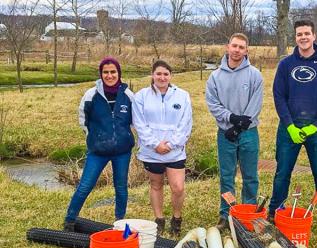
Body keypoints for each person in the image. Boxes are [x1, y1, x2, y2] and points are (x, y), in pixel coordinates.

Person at [268, 20, 317, 234]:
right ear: (295, 38)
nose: (303, 37)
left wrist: (316, 125)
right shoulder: (286, 64)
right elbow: (279, 96)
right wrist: (290, 126)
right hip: (289, 129)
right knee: (282, 172)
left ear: (314, 36)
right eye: (299, 34)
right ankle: (274, 212)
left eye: (306, 33)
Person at [63, 57, 135, 231]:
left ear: (119, 73)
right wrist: (93, 137)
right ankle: (69, 220)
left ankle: (119, 222)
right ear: (101, 74)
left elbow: (134, 121)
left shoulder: (128, 95)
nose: (109, 75)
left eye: (113, 72)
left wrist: (127, 137)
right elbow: (83, 120)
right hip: (97, 151)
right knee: (85, 185)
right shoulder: (91, 95)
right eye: (106, 72)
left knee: (121, 187)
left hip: (122, 151)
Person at [205, 33, 264, 230]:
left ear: (246, 50)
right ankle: (226, 213)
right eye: (234, 46)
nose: (237, 50)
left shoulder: (255, 75)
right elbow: (213, 104)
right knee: (227, 175)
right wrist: (230, 119)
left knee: (250, 175)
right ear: (227, 47)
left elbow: (255, 105)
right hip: (225, 133)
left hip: (248, 133)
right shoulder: (215, 77)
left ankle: (249, 212)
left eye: (241, 47)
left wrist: (239, 126)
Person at [133, 60, 192, 236]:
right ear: (152, 75)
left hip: (175, 152)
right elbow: (139, 123)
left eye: (166, 74)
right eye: (158, 74)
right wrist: (154, 144)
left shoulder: (182, 96)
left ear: (170, 76)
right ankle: (159, 219)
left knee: (178, 187)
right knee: (156, 184)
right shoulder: (141, 96)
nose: (162, 77)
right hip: (151, 152)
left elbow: (186, 123)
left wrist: (172, 144)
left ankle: (177, 218)